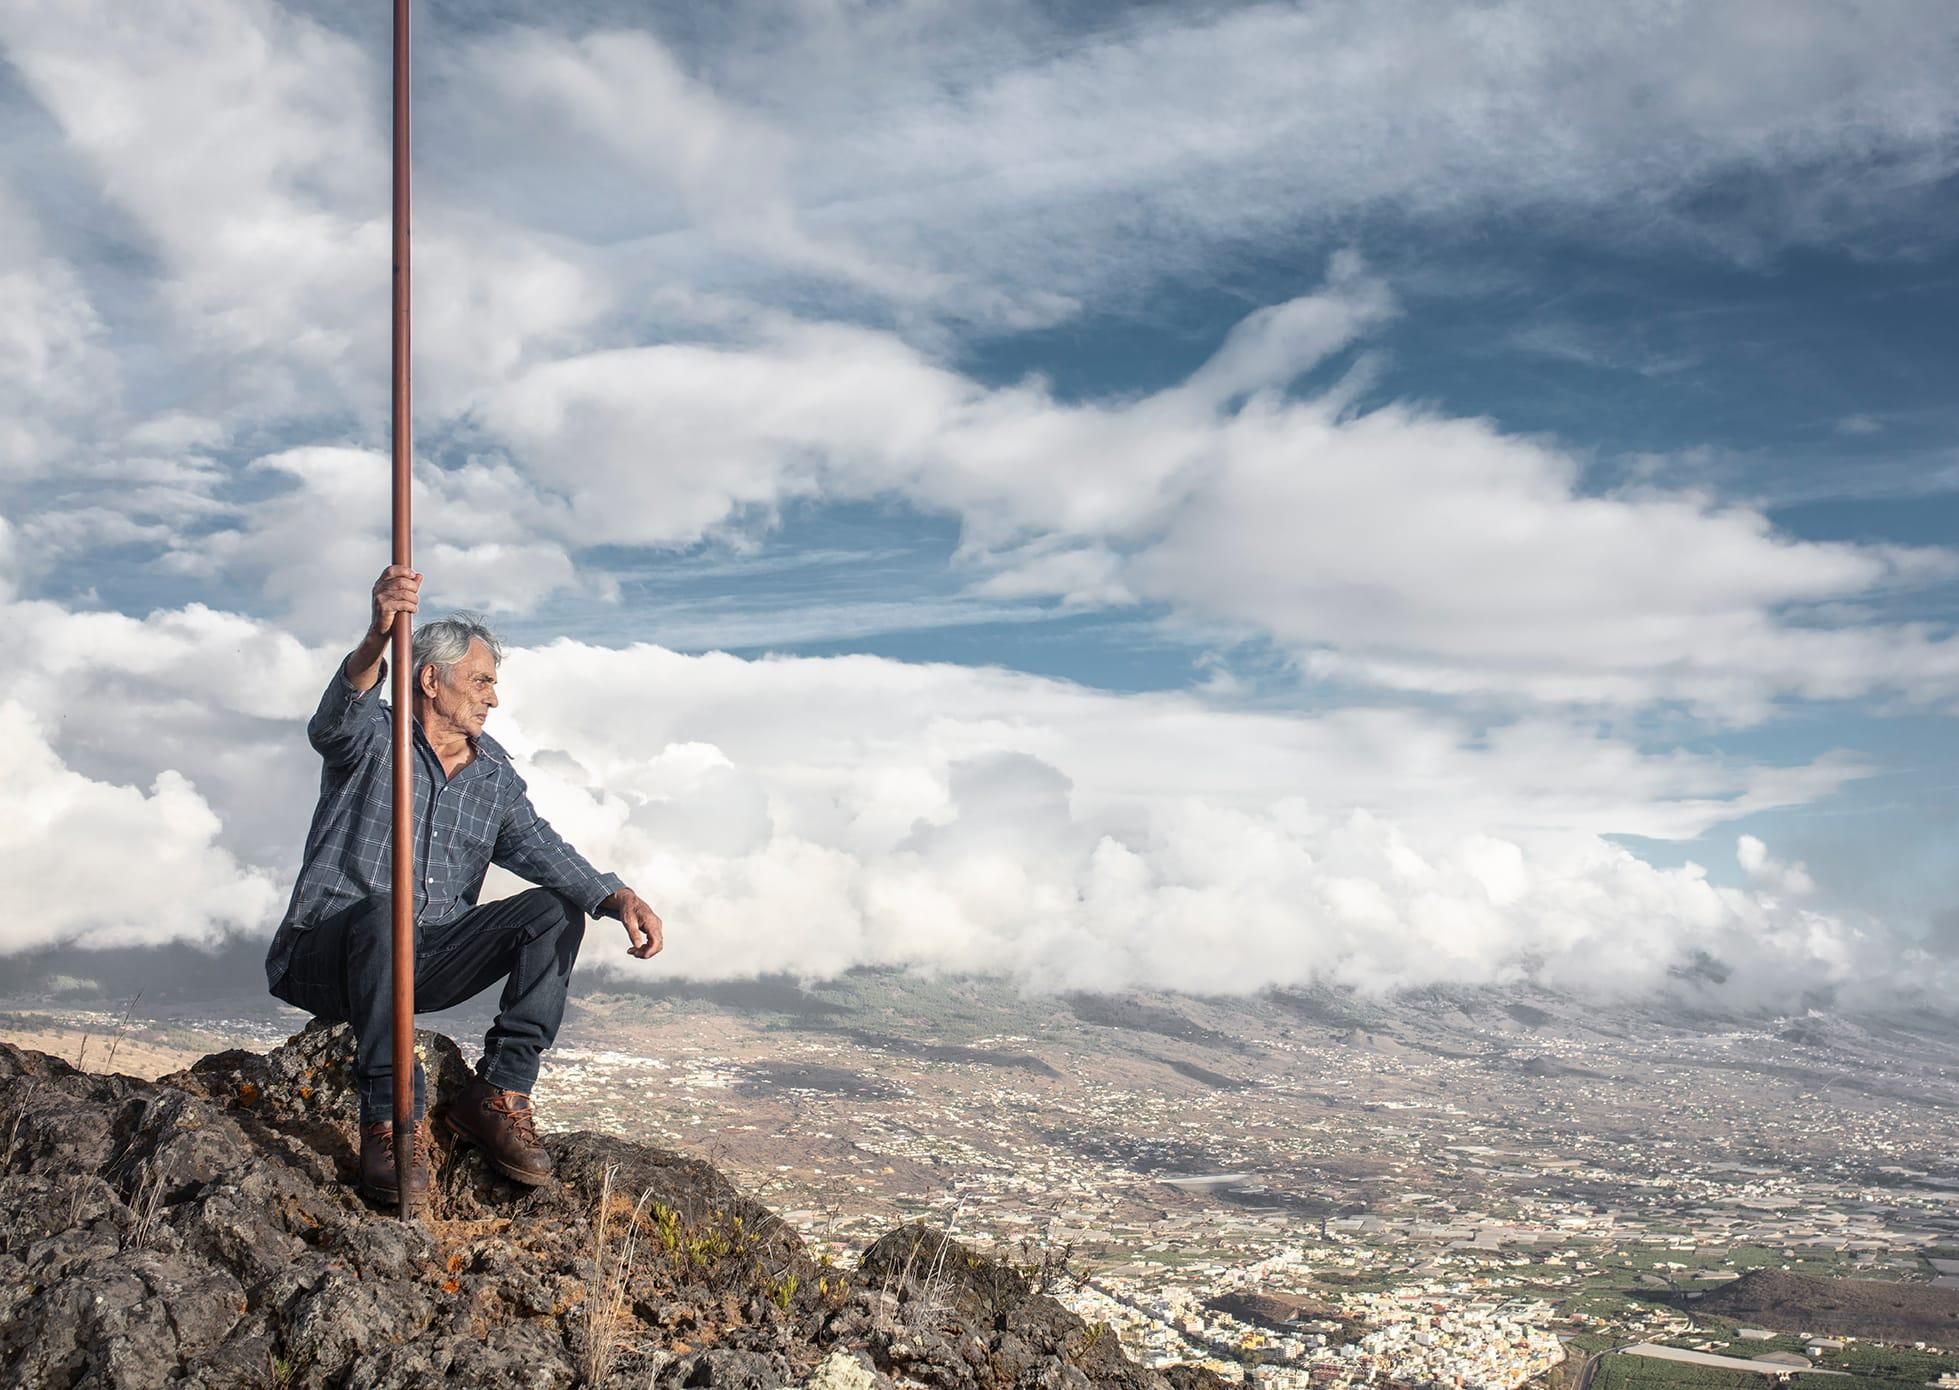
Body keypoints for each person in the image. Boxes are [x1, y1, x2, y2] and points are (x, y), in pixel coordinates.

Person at [265, 564, 664, 1209]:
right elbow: (334, 719)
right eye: (481, 681)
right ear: (431, 679)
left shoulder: (493, 776)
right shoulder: (375, 739)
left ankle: (498, 1095)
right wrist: (377, 636)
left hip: (425, 959)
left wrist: (614, 896)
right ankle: (393, 1117)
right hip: (329, 955)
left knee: (556, 912)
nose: (493, 698)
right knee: (384, 910)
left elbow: (538, 847)